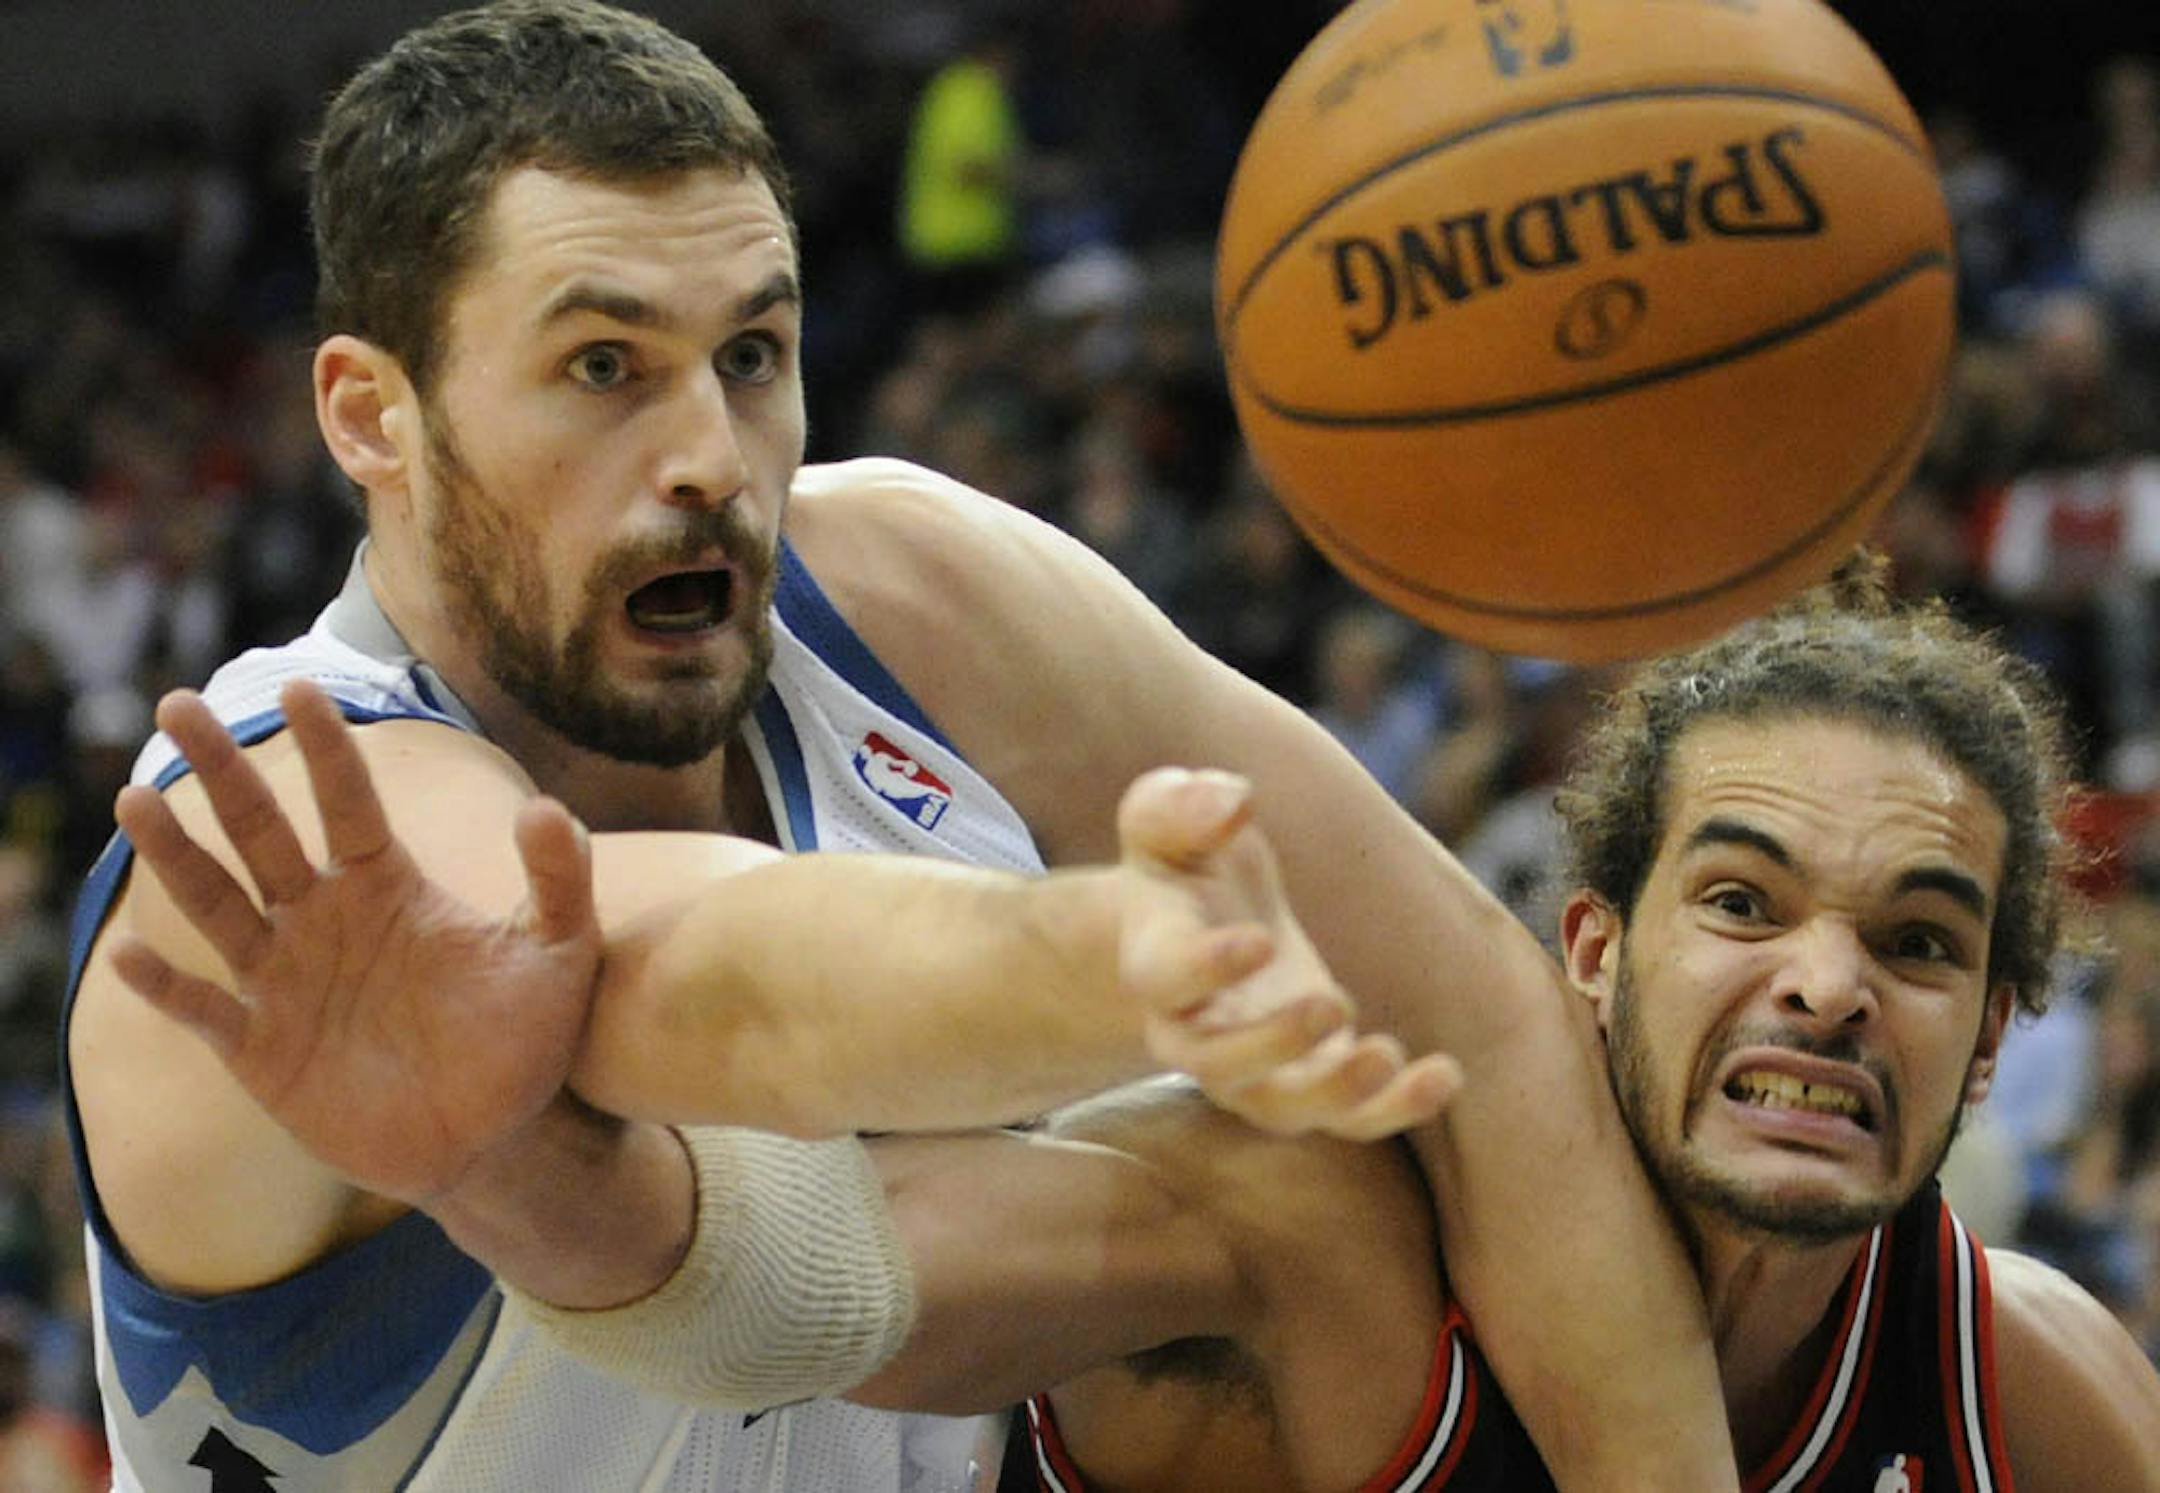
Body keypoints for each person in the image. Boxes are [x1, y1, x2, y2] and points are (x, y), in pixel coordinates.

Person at [61, 3, 1737, 1490]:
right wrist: (1111, 959)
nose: (711, 454)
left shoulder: (912, 591)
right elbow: (715, 969)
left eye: (753, 354)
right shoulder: (284, 816)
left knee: (1303, 1179)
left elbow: (1488, 1024)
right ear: (372, 413)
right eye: (602, 366)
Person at [847, 570, 2160, 1490]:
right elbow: (820, 1295)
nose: (1827, 984)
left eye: (1917, 938)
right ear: (1594, 956)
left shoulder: (2027, 1394)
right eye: (1743, 903)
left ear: (1990, 1038)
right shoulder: (1296, 1200)